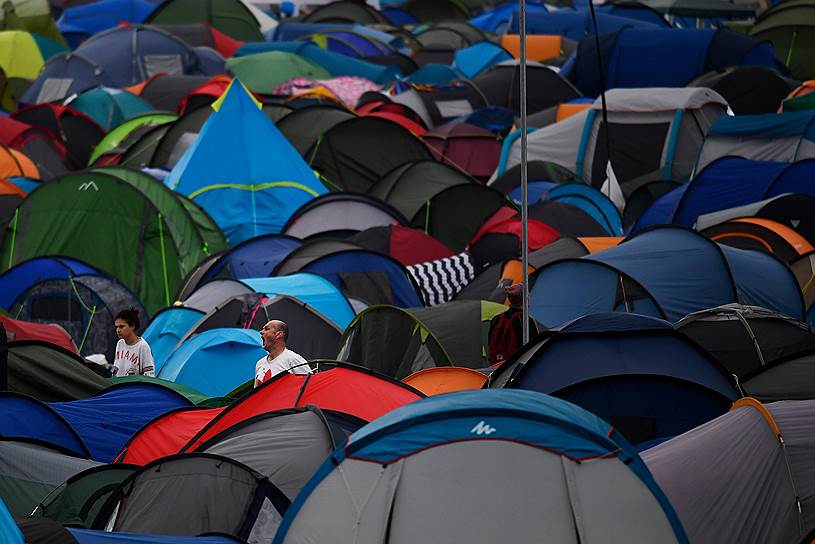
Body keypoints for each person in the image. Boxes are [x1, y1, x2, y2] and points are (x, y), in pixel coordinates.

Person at [254, 320, 311, 387]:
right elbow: (256, 393)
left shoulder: (293, 359)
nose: (261, 332)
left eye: (266, 329)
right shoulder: (260, 363)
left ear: (278, 334)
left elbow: (310, 384)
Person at [113, 308, 155, 377]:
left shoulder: (142, 346)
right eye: (116, 327)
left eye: (121, 326)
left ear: (132, 326)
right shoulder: (120, 343)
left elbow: (149, 375)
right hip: (118, 386)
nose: (118, 330)